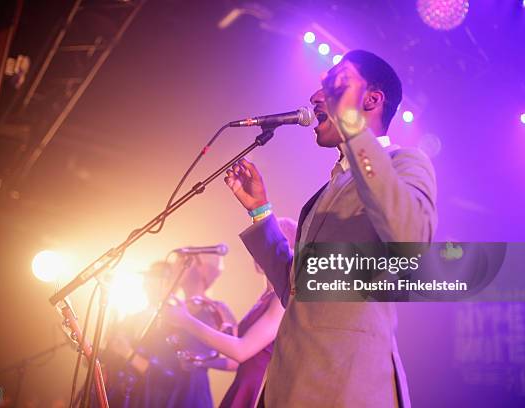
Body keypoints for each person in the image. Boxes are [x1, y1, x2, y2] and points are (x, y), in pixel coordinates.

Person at [223, 50, 438, 407]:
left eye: (335, 85)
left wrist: (353, 127)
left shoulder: (404, 162)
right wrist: (261, 213)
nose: (316, 97)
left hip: (347, 385)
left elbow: (412, 239)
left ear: (371, 99)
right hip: (287, 385)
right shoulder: (330, 188)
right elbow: (297, 289)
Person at [165, 218, 297, 408]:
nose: (257, 250)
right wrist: (202, 362)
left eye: (265, 243)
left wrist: (185, 320)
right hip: (243, 385)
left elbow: (241, 351)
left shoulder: (281, 299)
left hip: (258, 390)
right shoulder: (266, 297)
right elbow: (237, 361)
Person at [105, 256, 235, 408]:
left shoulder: (215, 310)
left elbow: (235, 359)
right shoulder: (170, 312)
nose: (148, 286)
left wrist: (199, 361)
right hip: (156, 393)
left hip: (190, 390)